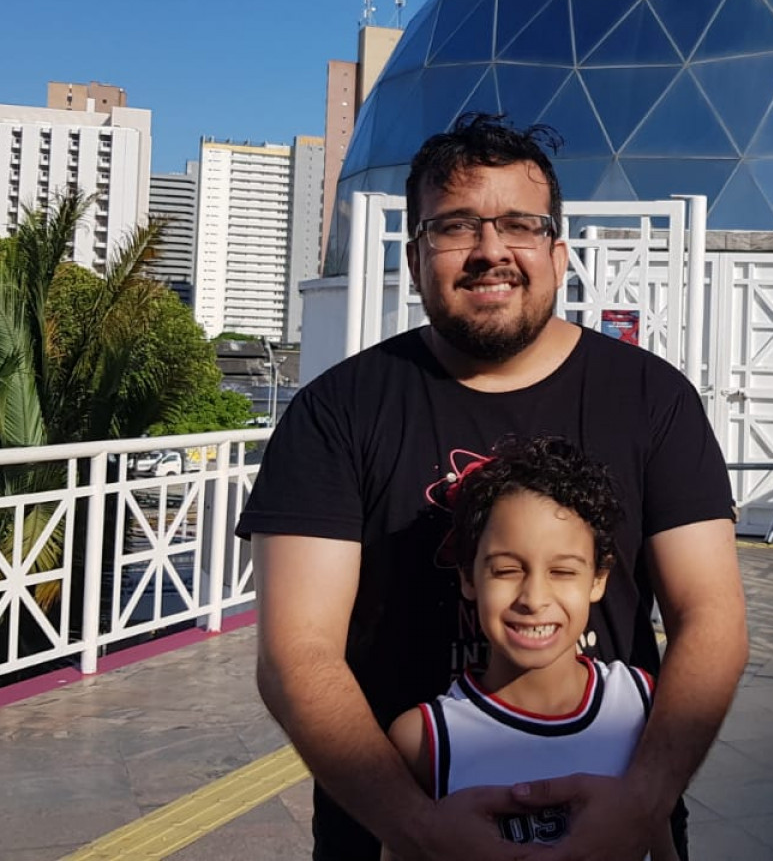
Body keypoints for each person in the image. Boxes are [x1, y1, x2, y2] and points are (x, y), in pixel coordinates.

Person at [238, 111, 747, 861]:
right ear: (414, 259)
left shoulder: (650, 398)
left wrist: (640, 807)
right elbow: (297, 655)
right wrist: (418, 829)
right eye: (454, 227)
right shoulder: (337, 412)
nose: (490, 252)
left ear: (559, 252)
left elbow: (712, 616)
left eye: (519, 225)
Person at [384, 436, 676, 861]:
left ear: (598, 579)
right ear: (468, 576)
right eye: (506, 569)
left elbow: (661, 842)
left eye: (562, 571)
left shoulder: (644, 705)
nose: (533, 597)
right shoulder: (422, 740)